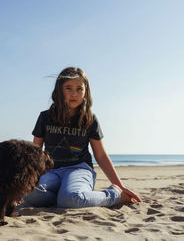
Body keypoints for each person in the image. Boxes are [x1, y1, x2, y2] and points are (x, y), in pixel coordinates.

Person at [23, 67, 142, 208]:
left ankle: (114, 195)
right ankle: (65, 197)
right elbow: (35, 152)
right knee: (29, 193)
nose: (74, 94)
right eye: (68, 88)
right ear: (59, 91)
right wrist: (20, 187)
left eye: (79, 89)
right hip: (50, 171)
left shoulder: (90, 119)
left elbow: (101, 156)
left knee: (70, 199)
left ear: (86, 93)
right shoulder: (45, 117)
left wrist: (119, 186)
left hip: (79, 170)